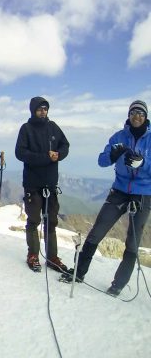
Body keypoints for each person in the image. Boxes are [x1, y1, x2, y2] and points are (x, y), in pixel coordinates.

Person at [60, 100, 151, 296]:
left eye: (141, 113)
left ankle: (118, 284)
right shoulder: (119, 137)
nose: (137, 116)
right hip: (119, 190)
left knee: (132, 243)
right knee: (96, 232)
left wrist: (143, 163)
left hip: (144, 193)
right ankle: (78, 273)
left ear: (145, 117)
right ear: (129, 115)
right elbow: (101, 161)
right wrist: (111, 156)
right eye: (134, 112)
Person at [15, 96, 70, 273]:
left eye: (45, 108)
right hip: (32, 183)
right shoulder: (26, 129)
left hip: (50, 184)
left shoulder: (53, 127)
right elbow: (20, 153)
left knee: (51, 221)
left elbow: (65, 145)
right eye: (40, 109)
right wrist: (46, 157)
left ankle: (52, 258)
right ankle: (33, 255)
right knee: (34, 220)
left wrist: (59, 154)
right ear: (33, 110)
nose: (43, 111)